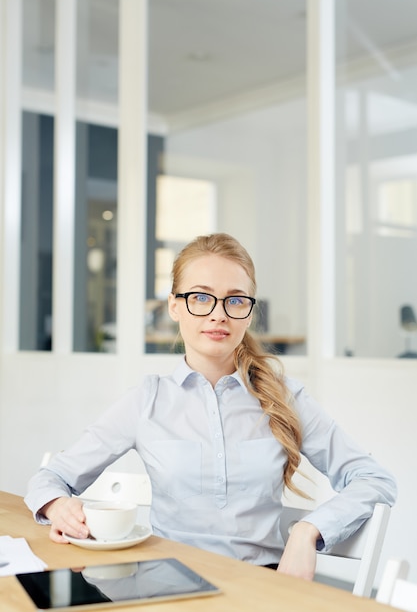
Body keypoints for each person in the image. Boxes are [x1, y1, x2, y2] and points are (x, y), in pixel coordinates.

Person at [25, 232, 396, 580]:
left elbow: (375, 480)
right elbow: (50, 478)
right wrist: (57, 506)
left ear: (249, 313)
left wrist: (307, 531)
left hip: (262, 587)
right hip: (168, 585)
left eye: (235, 300)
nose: (218, 314)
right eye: (201, 297)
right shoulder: (146, 400)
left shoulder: (286, 397)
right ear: (174, 305)